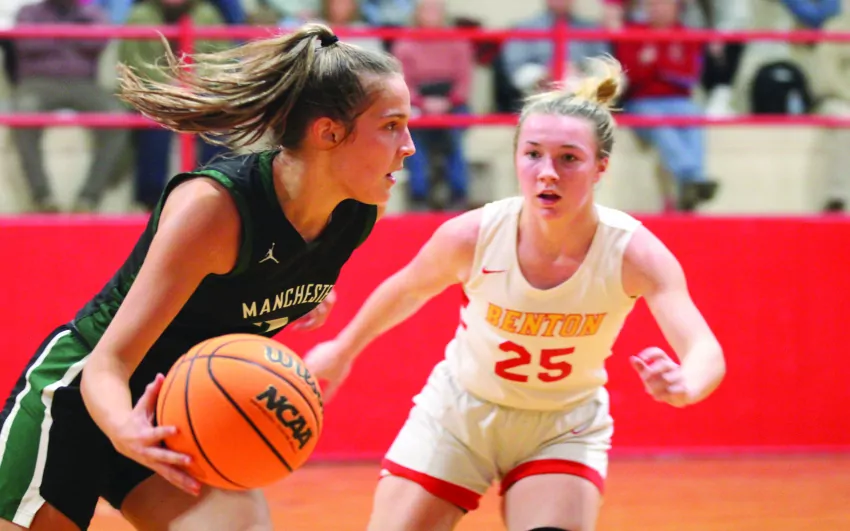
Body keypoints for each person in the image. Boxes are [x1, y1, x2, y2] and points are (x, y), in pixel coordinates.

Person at [0, 22, 414, 531]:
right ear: (328, 132)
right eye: (392, 125)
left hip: (182, 410)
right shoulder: (214, 209)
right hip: (81, 398)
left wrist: (307, 291)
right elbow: (109, 362)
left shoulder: (355, 213)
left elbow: (268, 270)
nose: (409, 145)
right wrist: (124, 430)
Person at [305, 55, 726, 531]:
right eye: (533, 154)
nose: (547, 172)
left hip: (563, 425)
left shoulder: (633, 252)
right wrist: (342, 350)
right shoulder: (473, 235)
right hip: (458, 413)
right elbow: (406, 290)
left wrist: (687, 384)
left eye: (569, 158)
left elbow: (704, 348)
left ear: (600, 167)